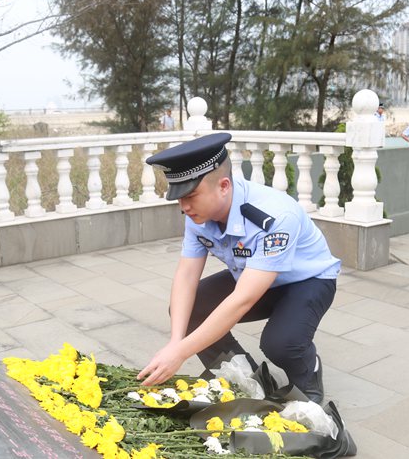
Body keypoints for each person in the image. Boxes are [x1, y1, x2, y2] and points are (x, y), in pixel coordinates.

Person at [137, 132, 339, 404]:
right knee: (186, 310)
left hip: (307, 281)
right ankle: (244, 376)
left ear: (223, 186)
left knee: (280, 343)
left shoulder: (274, 215)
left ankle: (308, 375)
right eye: (179, 198)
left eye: (191, 196)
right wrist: (176, 341)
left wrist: (181, 353)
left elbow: (243, 299)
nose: (183, 207)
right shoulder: (197, 214)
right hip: (253, 275)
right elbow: (186, 275)